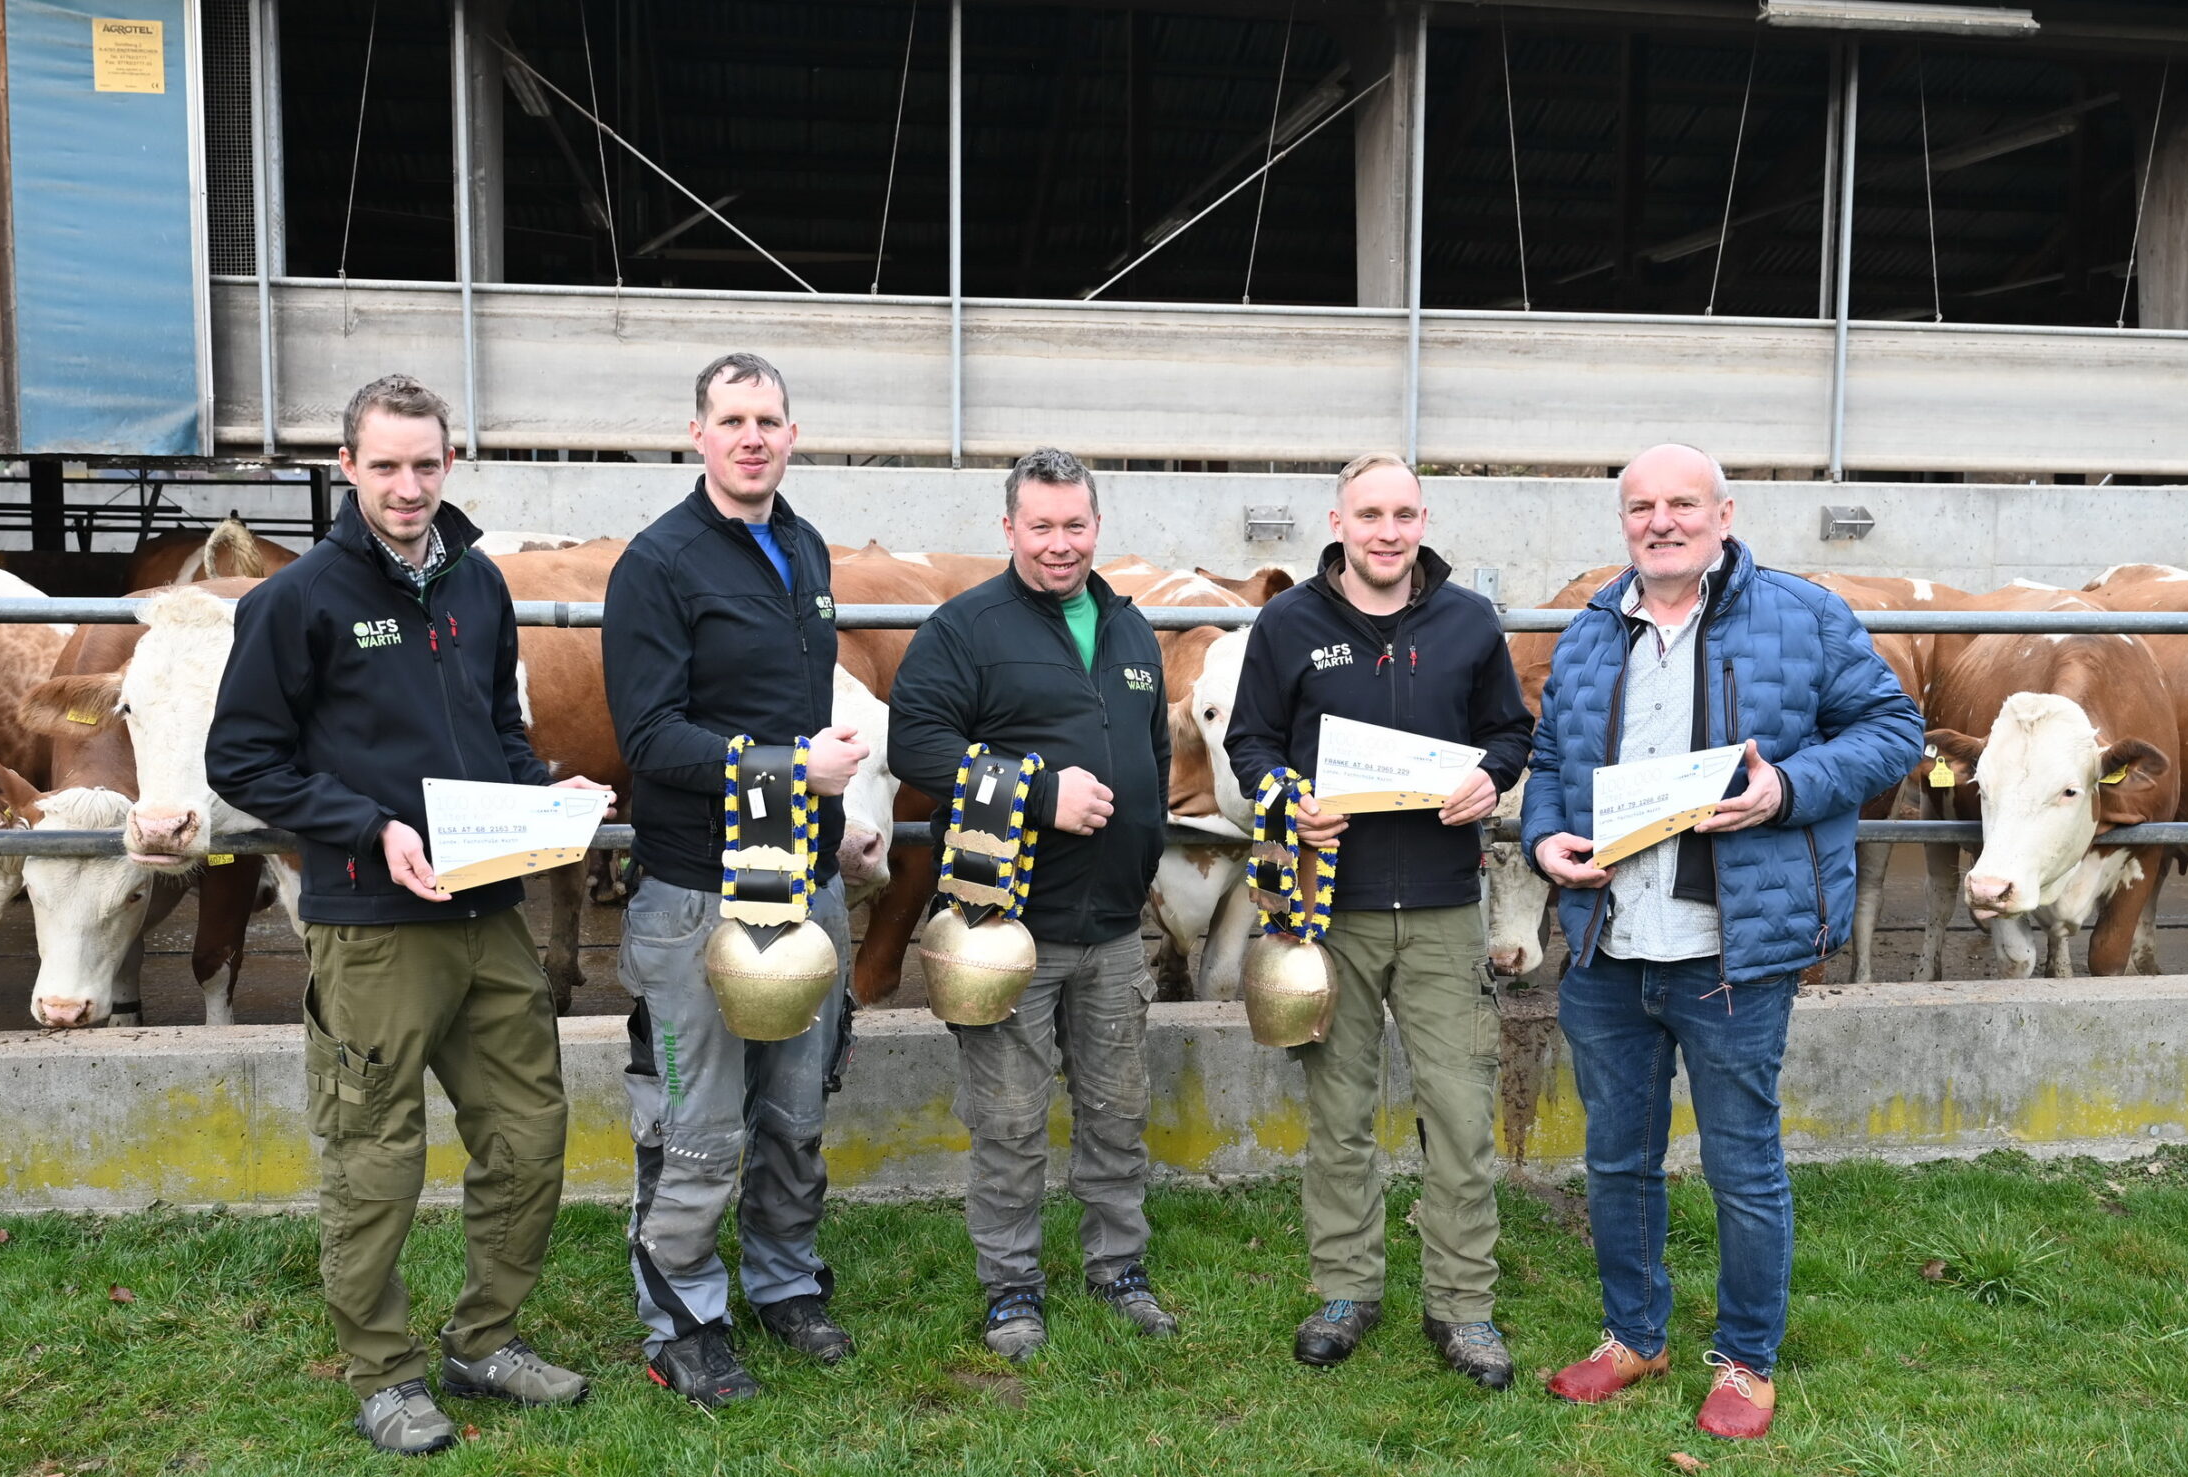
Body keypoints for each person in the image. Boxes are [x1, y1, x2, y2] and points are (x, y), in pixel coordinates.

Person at [209, 374, 611, 1456]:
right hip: (375, 922)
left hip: (488, 909)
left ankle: (486, 1340)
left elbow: (498, 729)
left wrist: (543, 796)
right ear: (347, 466)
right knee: (375, 1155)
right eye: (384, 465)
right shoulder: (296, 600)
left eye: (425, 464)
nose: (407, 485)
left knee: (528, 1135)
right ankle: (383, 1374)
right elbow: (242, 760)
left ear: (449, 464)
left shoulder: (478, 584)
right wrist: (368, 826)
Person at [1523, 443, 1919, 1439]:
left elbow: (1891, 730)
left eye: (1682, 504)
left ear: (1724, 514)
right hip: (1611, 942)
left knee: (1742, 1165)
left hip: (1731, 948)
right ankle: (1633, 1335)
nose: (1660, 522)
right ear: (1624, 521)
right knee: (1617, 1160)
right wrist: (1544, 839)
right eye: (1641, 507)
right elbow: (1549, 756)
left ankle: (1745, 1360)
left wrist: (1786, 788)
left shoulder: (1802, 615)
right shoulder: (1590, 631)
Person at [1223, 452, 1535, 1384]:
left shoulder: (1469, 622)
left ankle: (1463, 1305)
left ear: (1423, 520)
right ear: (1339, 523)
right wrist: (1288, 797)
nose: (1387, 532)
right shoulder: (1288, 623)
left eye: (1403, 514)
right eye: (1370, 515)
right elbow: (1250, 741)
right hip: (1331, 907)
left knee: (1460, 1114)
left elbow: (1510, 731)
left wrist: (1492, 777)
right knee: (1340, 1112)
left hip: (1442, 906)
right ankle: (1346, 1288)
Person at [603, 353, 869, 1406]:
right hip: (699, 888)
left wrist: (833, 814)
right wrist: (794, 768)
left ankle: (785, 1281)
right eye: (731, 420)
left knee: (798, 1106)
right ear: (698, 435)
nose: (751, 437)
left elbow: (800, 709)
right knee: (699, 1121)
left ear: (792, 434)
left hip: (805, 877)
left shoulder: (804, 546)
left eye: (767, 419)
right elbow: (649, 737)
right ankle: (683, 1318)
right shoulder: (657, 563)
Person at [887, 447, 1177, 1362]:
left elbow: (1155, 756)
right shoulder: (965, 628)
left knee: (1117, 1110)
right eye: (1041, 526)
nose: (1060, 544)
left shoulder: (1131, 630)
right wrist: (1039, 792)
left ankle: (1118, 1268)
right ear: (1009, 527)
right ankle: (1012, 1287)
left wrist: (1143, 855)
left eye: (1075, 525)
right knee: (1010, 1121)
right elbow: (915, 745)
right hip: (1007, 926)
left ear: (1098, 525)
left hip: (1115, 927)